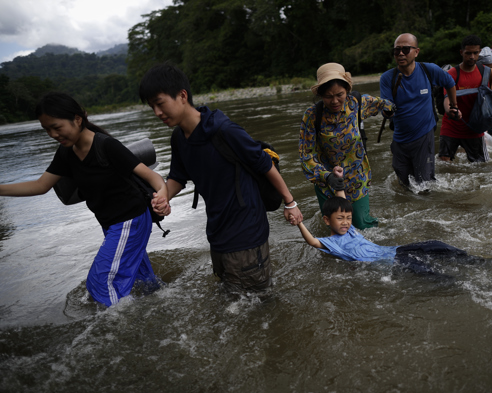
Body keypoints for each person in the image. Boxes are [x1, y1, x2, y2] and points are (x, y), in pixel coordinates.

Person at [140, 63, 302, 296]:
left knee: (258, 303)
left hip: (247, 230)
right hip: (217, 232)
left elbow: (264, 163)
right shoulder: (179, 138)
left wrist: (290, 203)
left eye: (160, 103)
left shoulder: (224, 130)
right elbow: (177, 176)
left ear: (182, 96)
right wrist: (163, 198)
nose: (157, 112)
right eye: (152, 107)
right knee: (231, 299)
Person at [0, 92, 168, 306]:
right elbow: (40, 186)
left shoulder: (107, 146)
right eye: (46, 130)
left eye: (56, 127)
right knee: (143, 283)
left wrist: (162, 196)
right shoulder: (66, 153)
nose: (52, 134)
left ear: (77, 119)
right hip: (111, 224)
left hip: (130, 221)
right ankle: (161, 308)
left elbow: (152, 177)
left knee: (100, 283)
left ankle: (123, 332)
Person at [290, 167, 490, 274]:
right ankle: (456, 283)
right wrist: (299, 222)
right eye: (340, 219)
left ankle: (477, 262)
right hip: (386, 262)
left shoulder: (349, 229)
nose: (345, 222)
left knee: (434, 246)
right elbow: (312, 241)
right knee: (424, 270)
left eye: (348, 218)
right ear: (326, 221)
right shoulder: (331, 243)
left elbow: (343, 203)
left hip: (393, 250)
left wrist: (338, 179)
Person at [299, 62, 394, 230]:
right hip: (327, 181)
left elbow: (383, 104)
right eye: (328, 96)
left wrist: (389, 110)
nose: (334, 101)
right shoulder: (313, 116)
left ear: (347, 90)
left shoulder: (357, 103)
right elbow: (306, 156)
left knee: (362, 225)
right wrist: (327, 177)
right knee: (336, 228)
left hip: (357, 177)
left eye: (339, 94)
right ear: (320, 95)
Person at [380, 33, 460, 188]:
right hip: (400, 139)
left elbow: (450, 82)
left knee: (424, 185)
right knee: (404, 185)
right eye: (397, 50)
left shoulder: (428, 70)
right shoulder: (387, 78)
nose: (401, 53)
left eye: (406, 49)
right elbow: (387, 104)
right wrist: (386, 111)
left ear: (416, 51)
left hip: (424, 135)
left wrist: (453, 106)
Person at [439, 35, 492, 163]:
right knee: (444, 162)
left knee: (481, 167)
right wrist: (449, 111)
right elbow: (447, 98)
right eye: (468, 53)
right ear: (461, 52)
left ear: (479, 52)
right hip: (451, 125)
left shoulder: (487, 73)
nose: (472, 57)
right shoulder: (451, 74)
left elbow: (488, 98)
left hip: (474, 128)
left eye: (475, 53)